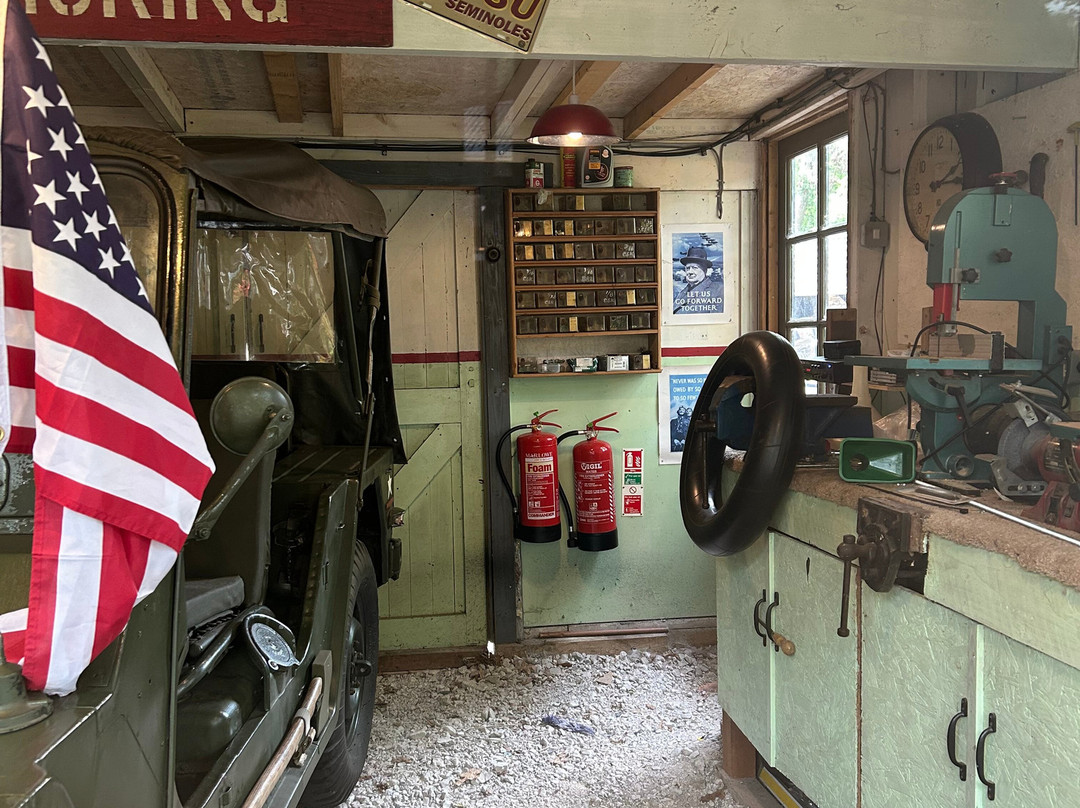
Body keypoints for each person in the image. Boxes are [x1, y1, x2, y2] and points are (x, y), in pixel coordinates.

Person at [673, 245, 724, 315]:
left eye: (694, 268)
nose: (690, 272)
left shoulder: (718, 290)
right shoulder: (683, 292)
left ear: (704, 270)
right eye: (688, 268)